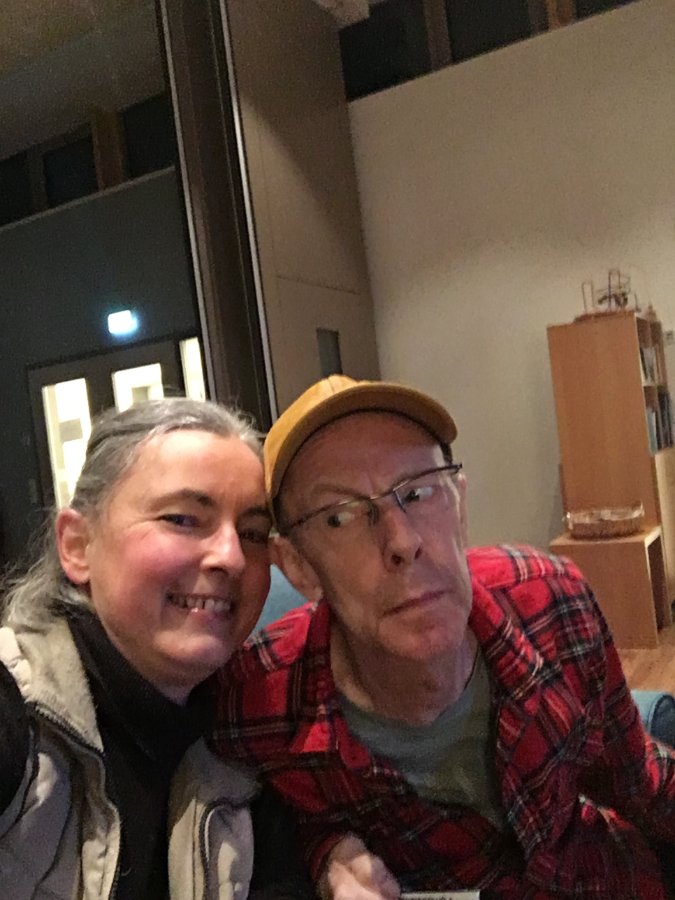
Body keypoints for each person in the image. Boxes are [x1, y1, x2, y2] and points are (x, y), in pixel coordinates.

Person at [212, 374, 675, 899]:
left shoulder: (550, 600)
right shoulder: (259, 699)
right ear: (297, 565)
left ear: (459, 505)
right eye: (339, 516)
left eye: (418, 492)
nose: (403, 541)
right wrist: (325, 852)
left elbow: (637, 778)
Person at [0, 397, 274, 899]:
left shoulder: (249, 737)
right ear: (77, 546)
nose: (232, 557)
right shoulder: (16, 709)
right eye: (183, 519)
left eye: (254, 533)